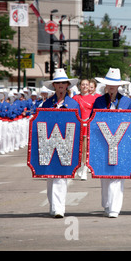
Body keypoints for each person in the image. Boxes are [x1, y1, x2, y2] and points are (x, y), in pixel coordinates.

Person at [92, 68, 131, 218]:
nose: (111, 87)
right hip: (102, 143)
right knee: (104, 176)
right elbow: (92, 122)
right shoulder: (98, 101)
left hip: (121, 144)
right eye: (108, 84)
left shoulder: (127, 101)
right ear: (105, 86)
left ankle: (115, 208)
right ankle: (107, 204)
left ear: (118, 86)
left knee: (117, 176)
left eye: (114, 85)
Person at [41, 68, 81, 218]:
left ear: (67, 85)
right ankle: (53, 206)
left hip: (67, 143)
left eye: (64, 83)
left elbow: (78, 124)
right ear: (54, 86)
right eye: (58, 83)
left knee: (62, 176)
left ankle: (59, 208)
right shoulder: (47, 104)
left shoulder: (73, 104)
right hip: (49, 143)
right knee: (51, 176)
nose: (61, 85)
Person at [73, 79, 100, 181]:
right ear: (79, 86)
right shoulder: (75, 98)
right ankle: (78, 167)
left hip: (88, 125)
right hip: (78, 125)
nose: (85, 86)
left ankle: (84, 169)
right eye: (83, 84)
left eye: (86, 84)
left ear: (89, 86)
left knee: (85, 148)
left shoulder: (94, 99)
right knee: (77, 148)